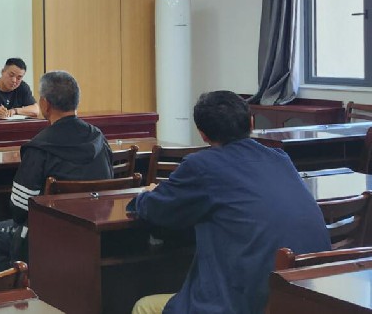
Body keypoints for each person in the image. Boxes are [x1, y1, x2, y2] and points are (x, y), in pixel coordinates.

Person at [128, 91, 331, 314]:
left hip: (250, 304)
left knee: (144, 307)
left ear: (203, 135)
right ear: (251, 122)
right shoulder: (280, 158)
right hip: (309, 299)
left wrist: (146, 194)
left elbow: (156, 209)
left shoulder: (202, 166)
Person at [0, 70, 113, 271]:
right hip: (95, 236)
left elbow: (19, 209)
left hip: (48, 239)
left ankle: (13, 289)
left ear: (45, 104)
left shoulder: (39, 148)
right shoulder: (100, 139)